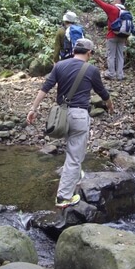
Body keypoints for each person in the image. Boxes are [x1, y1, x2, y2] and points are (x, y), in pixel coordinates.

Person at [27, 38, 114, 209]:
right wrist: (110, 105)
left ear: (75, 50)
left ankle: (73, 175)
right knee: (74, 156)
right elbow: (102, 92)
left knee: (73, 150)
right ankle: (63, 197)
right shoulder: (91, 69)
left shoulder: (59, 65)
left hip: (63, 115)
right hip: (80, 115)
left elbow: (45, 87)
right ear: (89, 52)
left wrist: (33, 109)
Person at [86, 0, 130, 81]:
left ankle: (111, 73)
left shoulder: (112, 9)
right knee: (120, 55)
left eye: (115, 0)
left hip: (112, 35)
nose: (113, 1)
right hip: (123, 36)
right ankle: (120, 75)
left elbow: (101, 3)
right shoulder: (125, 11)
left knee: (111, 55)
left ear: (118, 1)